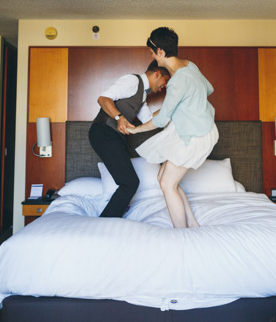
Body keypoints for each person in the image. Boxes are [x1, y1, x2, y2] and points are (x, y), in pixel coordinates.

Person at [127, 27, 218, 228]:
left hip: (196, 135)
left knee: (167, 184)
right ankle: (192, 224)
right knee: (164, 177)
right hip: (200, 130)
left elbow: (161, 120)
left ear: (160, 51)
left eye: (152, 52)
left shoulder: (177, 81)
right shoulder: (190, 66)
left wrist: (134, 129)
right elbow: (208, 89)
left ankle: (181, 233)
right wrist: (187, 105)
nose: (151, 56)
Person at [89, 60, 170, 218]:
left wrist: (170, 108)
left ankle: (108, 219)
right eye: (165, 81)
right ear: (157, 74)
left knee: (129, 183)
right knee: (130, 183)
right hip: (104, 132)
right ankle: (104, 222)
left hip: (114, 137)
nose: (164, 86)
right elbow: (103, 99)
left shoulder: (142, 97)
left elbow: (149, 120)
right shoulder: (132, 81)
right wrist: (119, 117)